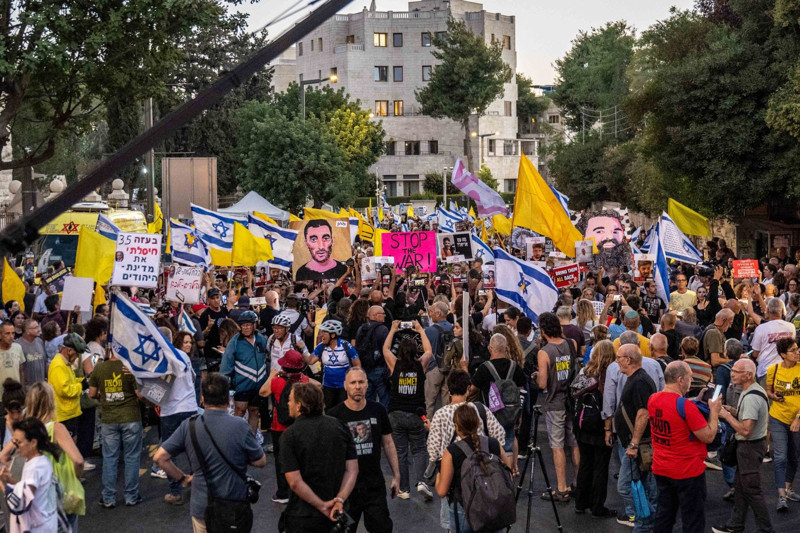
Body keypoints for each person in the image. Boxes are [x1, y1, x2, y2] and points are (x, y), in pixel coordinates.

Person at [154, 373, 267, 533]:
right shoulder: (239, 426)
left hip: (202, 506)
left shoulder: (189, 425)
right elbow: (260, 461)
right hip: (233, 505)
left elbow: (160, 457)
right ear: (228, 399)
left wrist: (183, 479)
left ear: (202, 398)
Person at [649, 361, 722, 533]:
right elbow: (709, 436)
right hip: (687, 471)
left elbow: (673, 416)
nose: (690, 382)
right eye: (689, 378)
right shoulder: (685, 406)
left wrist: (695, 402)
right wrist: (714, 412)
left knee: (664, 516)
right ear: (681, 380)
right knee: (692, 520)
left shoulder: (653, 399)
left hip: (661, 467)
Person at [279, 382, 359, 532]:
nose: (288, 403)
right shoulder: (340, 426)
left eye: (290, 400)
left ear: (299, 405)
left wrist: (322, 506)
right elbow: (352, 470)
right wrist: (340, 499)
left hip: (303, 516)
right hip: (337, 514)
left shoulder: (290, 435)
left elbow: (295, 482)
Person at [329, 368, 400, 532]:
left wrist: (397, 475)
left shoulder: (378, 410)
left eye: (361, 382)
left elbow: (388, 443)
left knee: (382, 528)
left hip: (374, 486)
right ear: (345, 386)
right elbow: (330, 454)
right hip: (346, 489)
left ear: (367, 385)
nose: (357, 386)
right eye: (353, 383)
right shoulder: (334, 416)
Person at [713, 358, 773, 533]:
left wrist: (725, 414)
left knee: (752, 491)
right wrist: (733, 411)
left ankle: (766, 529)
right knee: (741, 488)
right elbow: (748, 418)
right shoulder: (752, 391)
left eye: (736, 372)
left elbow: (746, 430)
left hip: (750, 447)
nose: (732, 374)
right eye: (733, 371)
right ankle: (735, 525)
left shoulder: (751, 397)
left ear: (748, 375)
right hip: (752, 447)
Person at [434, 404, 510, 533]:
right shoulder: (494, 443)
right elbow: (508, 473)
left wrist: (437, 478)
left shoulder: (452, 452)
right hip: (493, 508)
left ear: (456, 427)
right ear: (477, 423)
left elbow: (442, 491)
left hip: (464, 510)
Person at [89, 340, 143, 508]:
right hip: (130, 416)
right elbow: (139, 395)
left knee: (110, 458)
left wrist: (104, 397)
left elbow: (92, 393)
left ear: (108, 350)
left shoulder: (99, 368)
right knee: (132, 458)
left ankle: (108, 498)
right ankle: (131, 496)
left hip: (109, 419)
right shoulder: (129, 368)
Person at [382, 321, 433, 500]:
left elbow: (385, 349)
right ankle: (420, 482)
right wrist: (420, 330)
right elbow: (429, 351)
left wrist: (392, 329)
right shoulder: (420, 365)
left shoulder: (394, 364)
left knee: (401, 452)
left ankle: (404, 489)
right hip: (415, 413)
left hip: (395, 413)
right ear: (414, 352)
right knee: (419, 449)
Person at [614, 344, 658, 532]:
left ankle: (649, 519)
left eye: (619, 357)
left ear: (628, 360)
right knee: (644, 486)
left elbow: (643, 413)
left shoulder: (639, 381)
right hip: (638, 445)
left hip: (637, 447)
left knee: (625, 486)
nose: (617, 361)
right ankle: (645, 523)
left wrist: (633, 444)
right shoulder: (637, 379)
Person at [535, 312, 579, 501]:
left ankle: (561, 487)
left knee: (557, 445)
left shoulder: (544, 352)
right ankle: (578, 483)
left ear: (543, 330)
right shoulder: (571, 344)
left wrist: (537, 375)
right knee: (574, 442)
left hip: (554, 402)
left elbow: (543, 384)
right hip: (572, 399)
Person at [259, 349, 311, 504]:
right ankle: (301, 490)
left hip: (279, 426)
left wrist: (271, 375)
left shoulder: (277, 381)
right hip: (300, 425)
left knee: (282, 460)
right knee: (300, 457)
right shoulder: (305, 381)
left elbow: (262, 392)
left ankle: (283, 492)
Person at [154, 327, 199, 505]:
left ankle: (175, 491)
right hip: (189, 407)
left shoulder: (164, 358)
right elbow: (193, 379)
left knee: (168, 453)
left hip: (171, 410)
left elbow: (161, 388)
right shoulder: (183, 356)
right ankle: (199, 485)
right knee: (192, 450)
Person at [573, 339, 615, 518]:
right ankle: (597, 506)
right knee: (600, 466)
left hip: (582, 422)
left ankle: (581, 502)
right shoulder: (610, 374)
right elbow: (610, 402)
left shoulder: (585, 371)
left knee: (585, 463)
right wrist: (609, 428)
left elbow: (574, 393)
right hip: (600, 424)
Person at [472, 333, 526, 464]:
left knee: (489, 447)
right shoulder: (515, 367)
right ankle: (509, 476)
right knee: (508, 446)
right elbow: (521, 390)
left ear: (490, 348)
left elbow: (472, 388)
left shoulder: (484, 368)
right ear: (506, 347)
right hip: (509, 413)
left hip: (489, 413)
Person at [0, 418, 59, 533]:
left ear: (33, 442)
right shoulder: (39, 460)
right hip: (44, 522)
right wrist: (10, 480)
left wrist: (2, 484)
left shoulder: (36, 467)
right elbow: (30, 490)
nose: (16, 446)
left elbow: (19, 504)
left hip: (37, 527)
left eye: (19, 442)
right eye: (14, 442)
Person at [219, 310, 268, 443]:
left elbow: (267, 359)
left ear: (254, 325)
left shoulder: (262, 340)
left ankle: (251, 442)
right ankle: (236, 442)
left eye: (249, 324)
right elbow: (226, 364)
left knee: (254, 411)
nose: (246, 327)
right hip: (242, 384)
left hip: (259, 385)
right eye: (243, 325)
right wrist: (222, 384)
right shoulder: (235, 341)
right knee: (239, 412)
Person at [764, 337, 800, 511]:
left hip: (797, 420)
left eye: (797, 349)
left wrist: (798, 418)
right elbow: (768, 390)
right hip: (777, 417)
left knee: (794, 456)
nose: (797, 352)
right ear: (783, 355)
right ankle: (781, 496)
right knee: (780, 457)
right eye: (793, 350)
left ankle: (787, 488)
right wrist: (773, 396)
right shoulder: (774, 369)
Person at [304, 320, 360, 411]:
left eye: (324, 332)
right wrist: (300, 350)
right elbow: (310, 361)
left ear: (333, 335)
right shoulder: (321, 346)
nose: (321, 335)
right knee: (329, 411)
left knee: (343, 411)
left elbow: (357, 365)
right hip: (327, 386)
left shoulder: (346, 345)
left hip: (344, 386)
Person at [47, 333, 85, 438]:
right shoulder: (58, 365)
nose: (77, 357)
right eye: (77, 354)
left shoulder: (65, 363)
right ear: (69, 351)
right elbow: (65, 390)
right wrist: (82, 385)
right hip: (64, 416)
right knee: (68, 448)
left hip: (69, 413)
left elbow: (70, 381)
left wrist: (84, 380)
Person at [752, 298, 796, 383]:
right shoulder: (791, 327)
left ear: (767, 311)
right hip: (786, 371)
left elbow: (755, 353)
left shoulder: (761, 328)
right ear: (783, 311)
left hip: (766, 371)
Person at [354, 306, 391, 408]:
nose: (385, 316)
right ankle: (382, 420)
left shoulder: (361, 328)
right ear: (375, 315)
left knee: (368, 398)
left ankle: (369, 420)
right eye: (383, 314)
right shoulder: (383, 329)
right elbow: (386, 350)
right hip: (380, 368)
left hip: (365, 368)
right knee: (385, 399)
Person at [423, 302, 453, 420]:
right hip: (450, 368)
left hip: (433, 368)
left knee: (429, 403)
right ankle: (447, 425)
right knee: (447, 403)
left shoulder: (429, 331)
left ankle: (427, 430)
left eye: (432, 312)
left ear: (438, 313)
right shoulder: (454, 328)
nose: (430, 314)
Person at [16, 319, 46, 391]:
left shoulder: (40, 341)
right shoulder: (18, 345)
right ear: (27, 331)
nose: (39, 329)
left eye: (38, 327)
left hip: (42, 387)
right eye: (35, 328)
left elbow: (44, 362)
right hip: (28, 389)